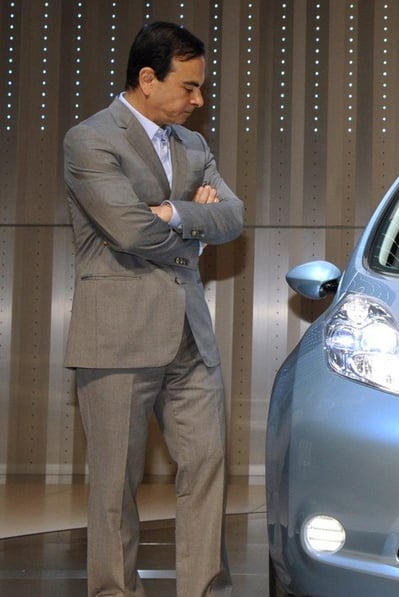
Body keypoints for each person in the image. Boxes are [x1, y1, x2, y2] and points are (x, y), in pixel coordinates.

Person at [63, 21, 243, 597]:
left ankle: (205, 590)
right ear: (147, 79)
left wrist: (174, 213)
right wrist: (194, 231)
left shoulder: (195, 145)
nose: (199, 99)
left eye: (201, 87)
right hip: (117, 339)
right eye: (189, 86)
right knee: (113, 485)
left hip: (191, 338)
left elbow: (234, 217)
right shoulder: (90, 140)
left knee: (207, 466)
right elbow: (129, 231)